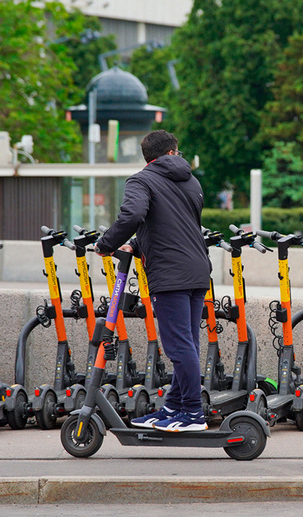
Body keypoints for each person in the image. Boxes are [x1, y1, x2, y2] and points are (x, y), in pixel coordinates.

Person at [95, 130, 211, 432]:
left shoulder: (141, 180)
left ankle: (194, 414)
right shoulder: (191, 181)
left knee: (178, 346)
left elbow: (133, 214)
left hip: (170, 273)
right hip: (198, 269)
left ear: (147, 156)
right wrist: (137, 242)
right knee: (188, 344)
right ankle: (175, 407)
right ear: (174, 151)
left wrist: (107, 243)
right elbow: (171, 223)